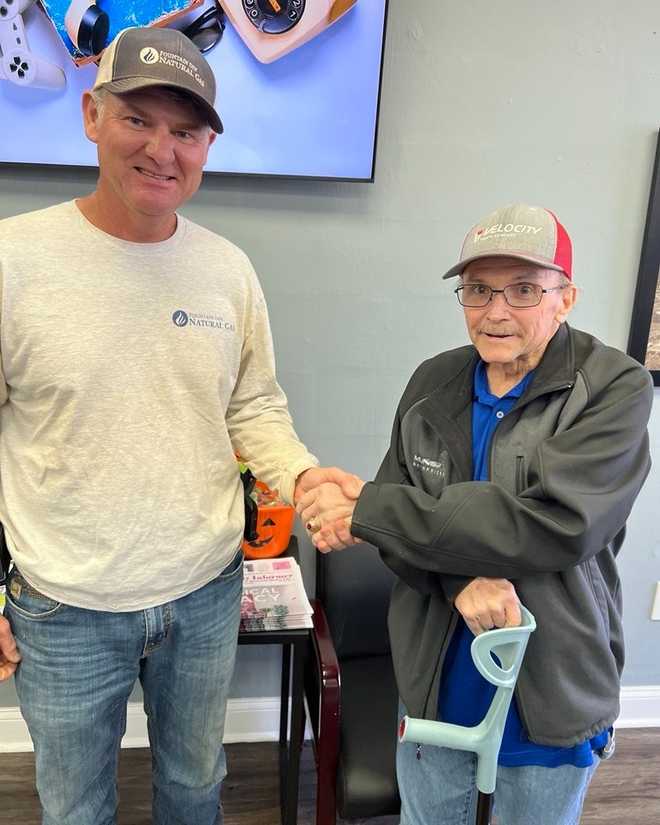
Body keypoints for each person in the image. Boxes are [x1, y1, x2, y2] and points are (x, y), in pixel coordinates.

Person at [0, 26, 359, 825]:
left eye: (187, 130)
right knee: (73, 806)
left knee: (195, 787)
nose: (164, 149)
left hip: (203, 590)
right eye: (140, 119)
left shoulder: (226, 269)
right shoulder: (14, 261)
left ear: (206, 146)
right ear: (92, 114)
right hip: (64, 604)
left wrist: (302, 476)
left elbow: (253, 405)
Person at [297, 203, 654, 825]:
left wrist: (370, 508)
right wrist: (458, 577)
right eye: (479, 289)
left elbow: (554, 524)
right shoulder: (434, 379)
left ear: (564, 298)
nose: (495, 311)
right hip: (434, 666)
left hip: (554, 671)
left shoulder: (614, 386)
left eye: (523, 290)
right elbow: (397, 529)